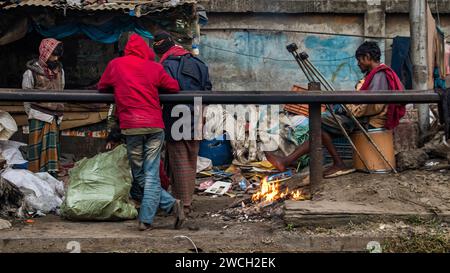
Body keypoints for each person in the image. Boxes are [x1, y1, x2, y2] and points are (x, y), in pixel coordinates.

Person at [266, 41, 405, 178]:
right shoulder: (373, 75)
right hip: (362, 117)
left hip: (368, 120)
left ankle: (331, 163)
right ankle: (292, 161)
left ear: (368, 57)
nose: (358, 64)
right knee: (320, 128)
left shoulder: (379, 75)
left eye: (360, 60)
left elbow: (373, 105)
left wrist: (347, 108)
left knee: (318, 120)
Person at [98, 33, 184, 231]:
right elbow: (174, 87)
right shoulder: (155, 67)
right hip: (155, 126)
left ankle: (148, 218)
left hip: (132, 128)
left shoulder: (116, 65)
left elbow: (102, 86)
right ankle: (171, 205)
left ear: (128, 49)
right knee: (151, 173)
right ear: (146, 50)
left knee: (140, 175)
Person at [153, 31, 212, 215]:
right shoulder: (199, 63)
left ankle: (183, 204)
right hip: (196, 115)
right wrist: (202, 115)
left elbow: (163, 90)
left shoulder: (166, 65)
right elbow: (208, 90)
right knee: (190, 158)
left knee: (179, 159)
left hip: (175, 117)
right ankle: (182, 200)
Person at [22, 38, 65, 177]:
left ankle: (51, 175)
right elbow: (25, 96)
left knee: (52, 151)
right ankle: (37, 176)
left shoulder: (60, 71)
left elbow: (62, 89)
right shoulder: (31, 72)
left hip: (55, 116)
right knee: (38, 150)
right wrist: (31, 114)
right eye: (53, 55)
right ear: (45, 53)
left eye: (57, 56)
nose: (56, 58)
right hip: (38, 115)